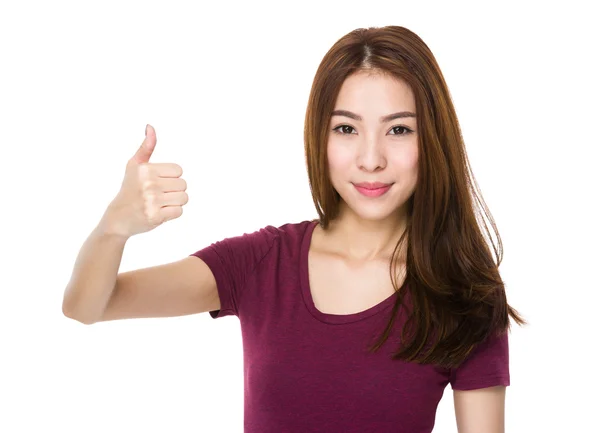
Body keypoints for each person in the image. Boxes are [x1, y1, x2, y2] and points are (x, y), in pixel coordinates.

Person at [62, 25, 526, 433]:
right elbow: (88, 306)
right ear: (319, 137)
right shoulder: (262, 263)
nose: (370, 158)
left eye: (399, 130)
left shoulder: (464, 293)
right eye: (346, 129)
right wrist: (113, 228)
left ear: (434, 139)